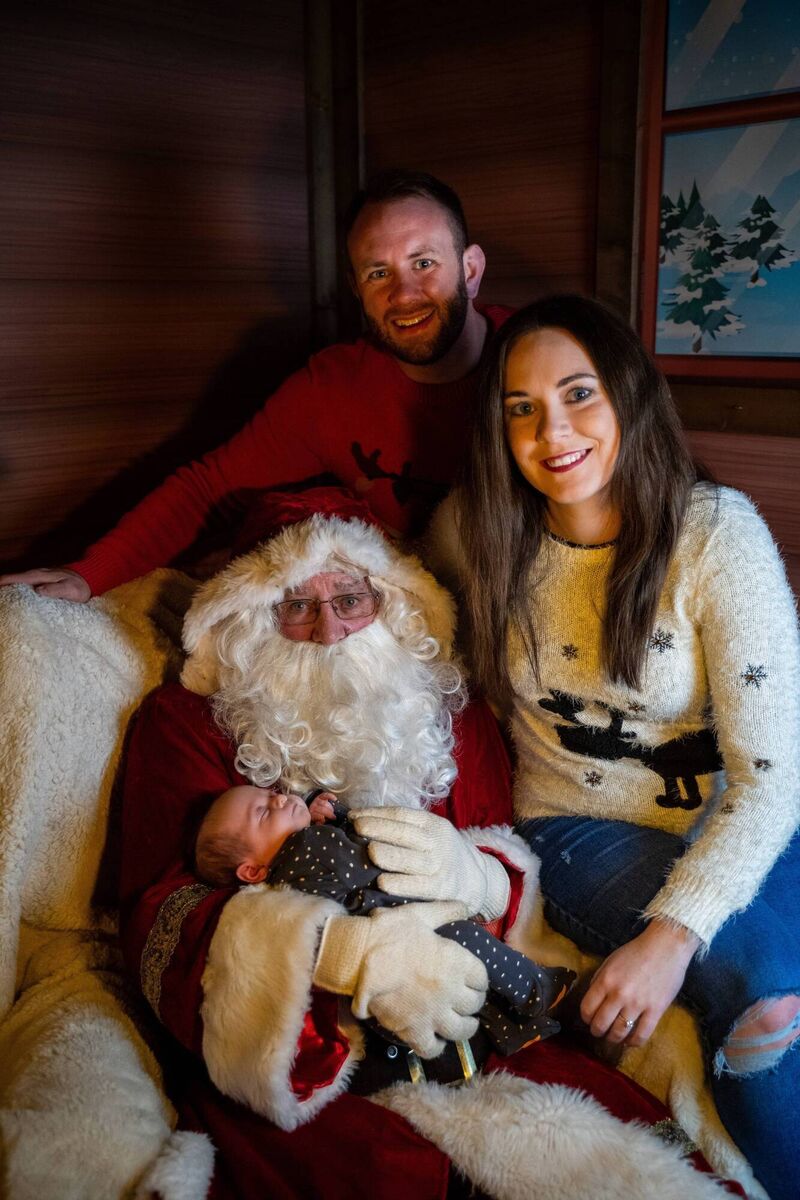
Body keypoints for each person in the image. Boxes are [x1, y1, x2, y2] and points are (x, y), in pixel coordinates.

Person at [119, 488, 736, 1200]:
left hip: (484, 1017)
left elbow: (507, 855)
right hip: (313, 1059)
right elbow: (155, 917)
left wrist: (476, 877)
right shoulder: (185, 725)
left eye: (351, 599)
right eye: (297, 605)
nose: (331, 631)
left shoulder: (447, 708)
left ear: (391, 603)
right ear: (253, 620)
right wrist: (336, 955)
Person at [429, 294, 800, 1200]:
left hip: (735, 810)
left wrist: (671, 936)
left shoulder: (716, 537)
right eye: (521, 408)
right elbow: (371, 591)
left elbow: (774, 777)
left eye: (578, 393)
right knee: (767, 995)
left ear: (629, 397)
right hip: (579, 826)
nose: (552, 430)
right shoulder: (475, 534)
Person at [0, 169, 511, 602]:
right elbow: (208, 488)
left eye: (424, 263)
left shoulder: (541, 356)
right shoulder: (331, 386)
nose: (404, 294)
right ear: (357, 290)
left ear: (469, 269)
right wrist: (90, 575)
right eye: (379, 272)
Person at [193, 782, 576, 1056]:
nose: (278, 801)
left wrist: (320, 816)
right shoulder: (294, 864)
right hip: (396, 936)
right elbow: (357, 855)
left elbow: (344, 852)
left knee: (466, 968)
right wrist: (335, 822)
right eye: (262, 813)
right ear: (252, 872)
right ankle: (538, 991)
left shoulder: (300, 853)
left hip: (402, 923)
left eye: (271, 793)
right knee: (466, 945)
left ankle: (513, 1029)